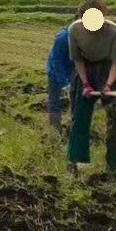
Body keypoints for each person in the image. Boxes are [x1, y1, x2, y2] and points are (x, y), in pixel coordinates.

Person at [66, 0, 116, 173]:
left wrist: (108, 85)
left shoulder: (114, 32)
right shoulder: (74, 30)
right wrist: (86, 83)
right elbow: (78, 59)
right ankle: (77, 160)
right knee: (79, 115)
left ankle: (114, 165)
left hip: (109, 67)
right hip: (86, 67)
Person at [44, 7, 81, 135]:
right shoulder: (63, 37)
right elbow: (56, 62)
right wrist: (65, 84)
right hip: (56, 72)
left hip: (73, 71)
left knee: (77, 101)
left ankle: (73, 128)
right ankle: (55, 131)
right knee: (55, 100)